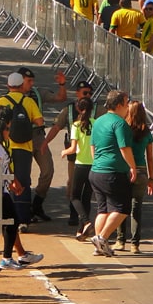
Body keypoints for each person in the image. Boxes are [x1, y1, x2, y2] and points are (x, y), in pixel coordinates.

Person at [0, 106, 36, 271]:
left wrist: (11, 183)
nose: (9, 132)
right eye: (7, 129)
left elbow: (4, 169)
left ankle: (6, 258)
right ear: (1, 130)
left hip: (0, 190)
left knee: (11, 223)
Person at [42, 81, 104, 227]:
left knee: (85, 190)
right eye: (85, 93)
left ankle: (84, 219)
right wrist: (45, 142)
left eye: (90, 93)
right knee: (72, 184)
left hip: (86, 154)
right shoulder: (68, 110)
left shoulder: (98, 110)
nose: (88, 95)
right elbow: (57, 127)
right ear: (77, 93)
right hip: (75, 156)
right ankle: (74, 215)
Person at [0, 72, 45, 231]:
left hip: (6, 147)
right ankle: (23, 219)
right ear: (22, 86)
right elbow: (39, 121)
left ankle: (4, 217)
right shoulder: (28, 101)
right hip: (24, 148)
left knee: (5, 181)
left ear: (8, 86)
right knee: (23, 182)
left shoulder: (1, 101)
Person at [88, 90, 137, 257]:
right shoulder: (120, 123)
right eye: (126, 102)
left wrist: (97, 162)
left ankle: (99, 245)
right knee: (122, 207)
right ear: (119, 105)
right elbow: (124, 148)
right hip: (113, 171)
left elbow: (92, 147)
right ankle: (101, 238)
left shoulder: (98, 121)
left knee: (103, 209)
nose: (129, 106)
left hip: (96, 171)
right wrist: (132, 166)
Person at [16, 66, 66, 223]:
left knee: (48, 170)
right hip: (20, 139)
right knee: (23, 175)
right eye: (28, 81)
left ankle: (37, 204)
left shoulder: (37, 93)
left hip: (38, 137)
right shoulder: (12, 96)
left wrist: (62, 85)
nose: (31, 84)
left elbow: (60, 98)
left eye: (32, 81)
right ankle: (23, 210)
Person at [114, 101, 153, 253]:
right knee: (136, 208)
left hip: (125, 169)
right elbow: (150, 157)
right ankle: (135, 244)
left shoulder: (124, 130)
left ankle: (120, 240)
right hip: (142, 171)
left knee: (121, 206)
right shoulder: (146, 131)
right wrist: (151, 178)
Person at [61, 97, 96, 241]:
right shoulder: (95, 124)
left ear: (78, 108)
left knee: (74, 196)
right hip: (93, 165)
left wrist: (65, 152)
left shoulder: (76, 125)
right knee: (86, 197)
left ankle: (86, 221)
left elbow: (73, 148)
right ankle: (81, 230)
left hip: (81, 164)